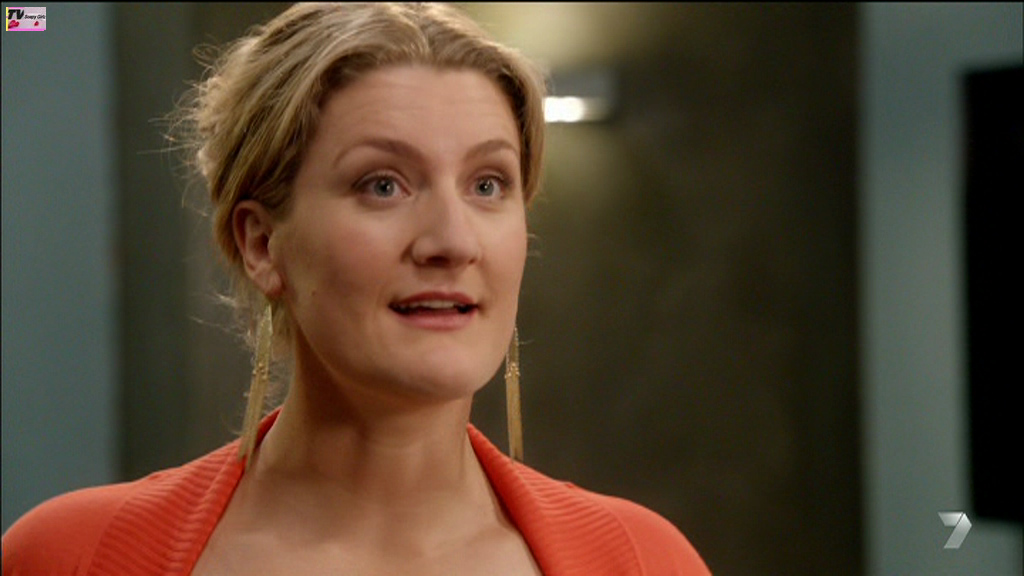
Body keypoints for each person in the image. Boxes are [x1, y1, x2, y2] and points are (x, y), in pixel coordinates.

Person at [2, 3, 711, 574]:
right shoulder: (70, 557)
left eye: (488, 184)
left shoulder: (642, 562)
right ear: (261, 244)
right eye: (383, 185)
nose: (453, 241)